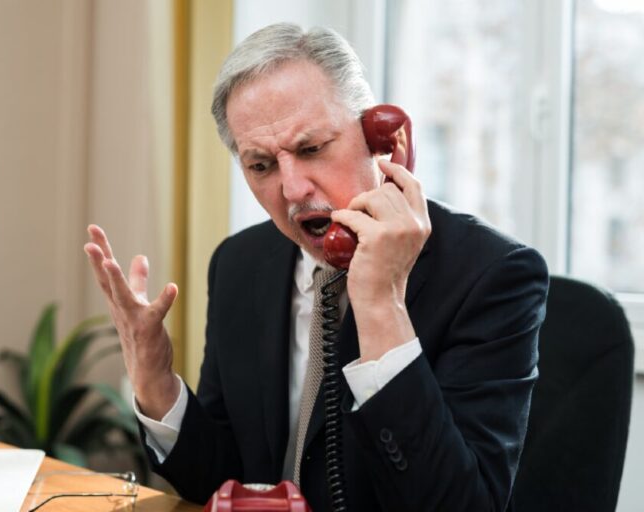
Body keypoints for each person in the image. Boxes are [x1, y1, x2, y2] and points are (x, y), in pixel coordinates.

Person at [84, 23, 548, 511]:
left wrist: (379, 304)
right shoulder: (240, 264)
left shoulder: (493, 275)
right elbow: (220, 480)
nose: (292, 190)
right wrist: (155, 381)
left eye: (311, 149)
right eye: (261, 165)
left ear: (385, 142)